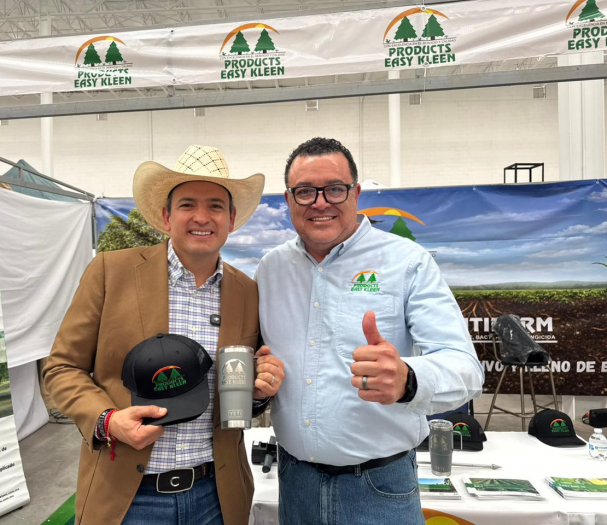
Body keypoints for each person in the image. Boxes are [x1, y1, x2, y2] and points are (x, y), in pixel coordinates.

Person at [44, 145, 285, 525]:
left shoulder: (246, 291)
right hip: (128, 496)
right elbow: (61, 368)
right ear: (166, 216)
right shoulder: (111, 272)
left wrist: (259, 394)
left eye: (215, 206)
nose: (201, 217)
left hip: (216, 496)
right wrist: (108, 421)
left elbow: (240, 391)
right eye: (188, 205)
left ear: (231, 219)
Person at [254, 137, 484, 525]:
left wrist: (408, 379)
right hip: (294, 483)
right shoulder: (270, 269)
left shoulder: (407, 262)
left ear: (356, 193)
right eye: (305, 191)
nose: (320, 203)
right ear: (289, 199)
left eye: (334, 189)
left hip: (380, 488)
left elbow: (466, 368)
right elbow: (259, 364)